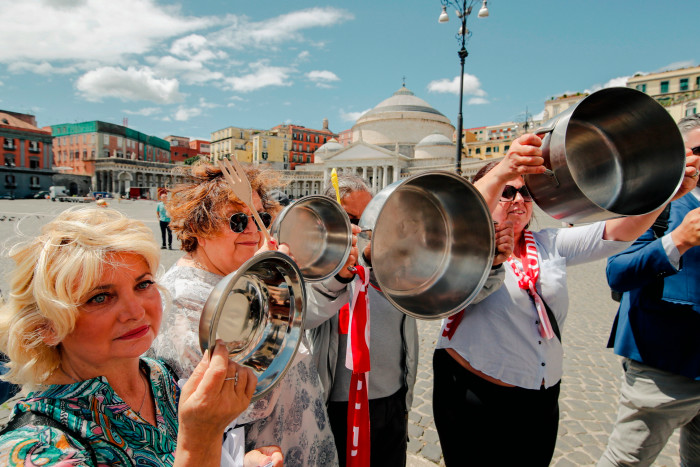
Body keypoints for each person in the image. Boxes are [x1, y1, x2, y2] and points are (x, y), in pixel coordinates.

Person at [432, 133, 700, 466]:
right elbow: (459, 216)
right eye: (507, 191)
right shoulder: (458, 247)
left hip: (540, 396)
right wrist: (503, 168)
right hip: (475, 393)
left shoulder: (547, 244)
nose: (519, 200)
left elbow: (617, 232)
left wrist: (667, 196)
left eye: (527, 192)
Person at [0, 207, 282, 466]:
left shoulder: (159, 378)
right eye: (100, 297)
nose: (135, 311)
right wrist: (201, 439)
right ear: (45, 327)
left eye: (143, 284)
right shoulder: (36, 448)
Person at [305, 173, 511, 467]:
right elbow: (305, 315)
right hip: (338, 404)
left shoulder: (400, 263)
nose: (361, 231)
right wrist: (339, 275)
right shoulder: (317, 263)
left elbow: (452, 295)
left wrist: (490, 266)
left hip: (393, 399)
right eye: (351, 219)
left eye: (370, 222)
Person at [151, 162, 338, 466]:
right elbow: (239, 398)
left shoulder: (236, 272)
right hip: (262, 454)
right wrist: (268, 286)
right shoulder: (181, 301)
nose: (253, 230)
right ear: (198, 227)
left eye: (261, 217)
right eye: (238, 221)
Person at [598, 114, 700, 467]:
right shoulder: (653, 201)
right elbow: (617, 272)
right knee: (626, 462)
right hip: (663, 365)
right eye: (698, 150)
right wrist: (677, 241)